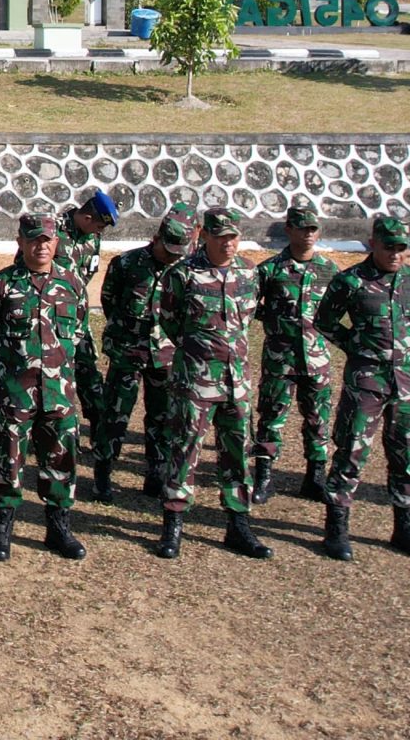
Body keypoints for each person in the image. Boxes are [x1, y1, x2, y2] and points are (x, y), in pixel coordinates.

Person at [315, 214, 410, 562]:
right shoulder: (351, 281)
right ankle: (336, 530)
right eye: (389, 247)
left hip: (406, 384)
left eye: (402, 248)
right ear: (373, 243)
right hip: (366, 382)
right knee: (351, 453)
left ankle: (406, 529)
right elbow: (324, 321)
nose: (396, 254)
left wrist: (407, 344)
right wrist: (357, 345)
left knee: (406, 456)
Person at [154, 207, 270, 560]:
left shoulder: (250, 272)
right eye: (221, 237)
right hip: (196, 383)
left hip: (237, 383)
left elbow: (247, 318)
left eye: (233, 237)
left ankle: (238, 523)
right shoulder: (183, 274)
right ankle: (173, 525)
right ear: (204, 235)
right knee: (185, 451)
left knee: (236, 455)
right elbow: (170, 322)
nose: (228, 243)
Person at [0, 213, 89, 562]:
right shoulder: (1, 284)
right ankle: (1, 534)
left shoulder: (72, 284)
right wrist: (17, 361)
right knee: (7, 464)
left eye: (48, 240)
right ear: (21, 242)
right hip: (16, 393)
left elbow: (78, 330)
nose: (42, 245)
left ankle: (58, 530)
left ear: (57, 243)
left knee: (61, 464)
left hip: (59, 394)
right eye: (34, 239)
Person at [86, 202, 194, 501]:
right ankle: (103, 472)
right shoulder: (126, 264)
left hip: (166, 355)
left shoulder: (184, 271)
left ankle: (156, 473)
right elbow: (110, 302)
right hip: (128, 353)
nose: (172, 257)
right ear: (157, 238)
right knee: (115, 413)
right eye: (168, 250)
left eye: (178, 253)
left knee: (162, 416)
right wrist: (126, 337)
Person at [250, 202, 341, 505]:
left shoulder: (329, 271)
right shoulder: (270, 270)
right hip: (280, 360)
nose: (309, 234)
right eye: (303, 228)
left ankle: (314, 477)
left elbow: (338, 313)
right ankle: (263, 476)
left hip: (316, 362)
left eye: (313, 229)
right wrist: (277, 326)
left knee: (318, 420)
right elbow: (252, 308)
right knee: (271, 417)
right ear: (289, 230)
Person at [54, 190, 118, 447]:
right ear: (87, 216)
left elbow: (86, 274)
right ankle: (56, 436)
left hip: (77, 319)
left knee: (89, 377)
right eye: (99, 225)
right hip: (51, 319)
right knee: (57, 379)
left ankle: (99, 435)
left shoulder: (93, 238)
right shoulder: (52, 230)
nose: (100, 232)